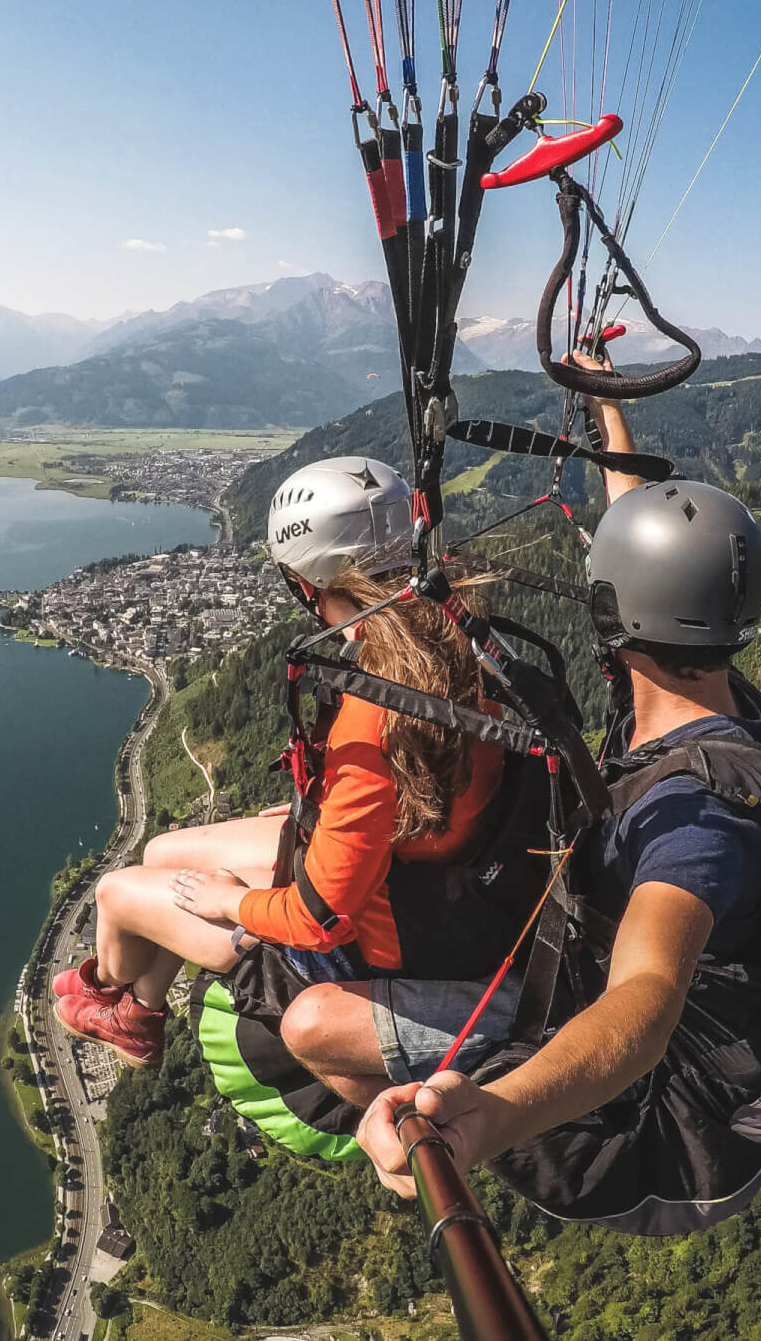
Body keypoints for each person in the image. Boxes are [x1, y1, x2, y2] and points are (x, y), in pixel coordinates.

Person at [353, 383, 761, 1234]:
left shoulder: (694, 818)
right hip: (606, 982)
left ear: (614, 615)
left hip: (653, 1125)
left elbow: (647, 995)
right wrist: (605, 414)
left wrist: (498, 1112)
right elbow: (652, 543)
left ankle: (382, 1132)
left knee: (319, 1022)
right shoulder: (705, 696)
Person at [52, 456, 527, 1079]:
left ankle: (106, 996)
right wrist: (329, 815)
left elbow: (319, 920)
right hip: (439, 879)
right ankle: (134, 1010)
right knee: (165, 850)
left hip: (382, 939)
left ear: (309, 583)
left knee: (116, 894)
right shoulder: (464, 643)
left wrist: (234, 904)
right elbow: (418, 792)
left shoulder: (377, 710)